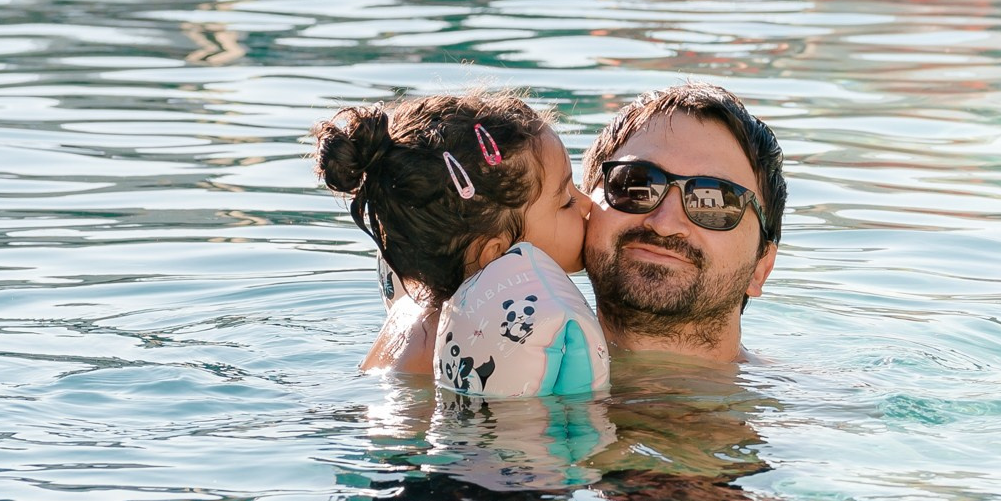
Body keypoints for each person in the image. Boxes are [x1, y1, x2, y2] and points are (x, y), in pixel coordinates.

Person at [311, 90, 606, 396]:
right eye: (566, 201)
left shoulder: (413, 315)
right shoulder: (493, 340)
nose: (587, 205)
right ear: (494, 255)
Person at [580, 83, 786, 366]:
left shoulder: (825, 406)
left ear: (760, 267)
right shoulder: (501, 355)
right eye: (636, 183)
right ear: (581, 208)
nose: (665, 224)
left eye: (713, 201)